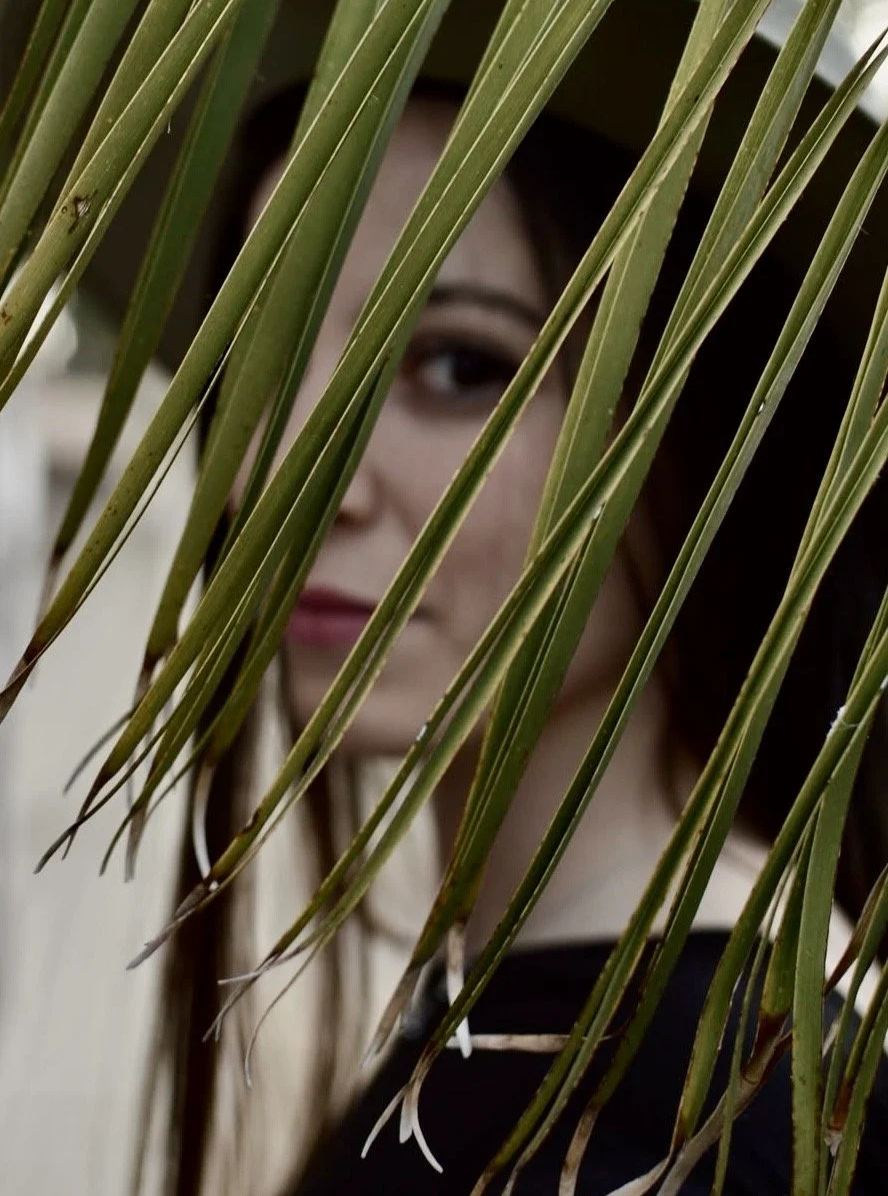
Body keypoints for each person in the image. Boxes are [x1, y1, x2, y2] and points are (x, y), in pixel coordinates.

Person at [141, 77, 888, 1196]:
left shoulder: (659, 1136)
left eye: (459, 365)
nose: (288, 473)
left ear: (714, 430)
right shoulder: (631, 1051)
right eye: (263, 359)